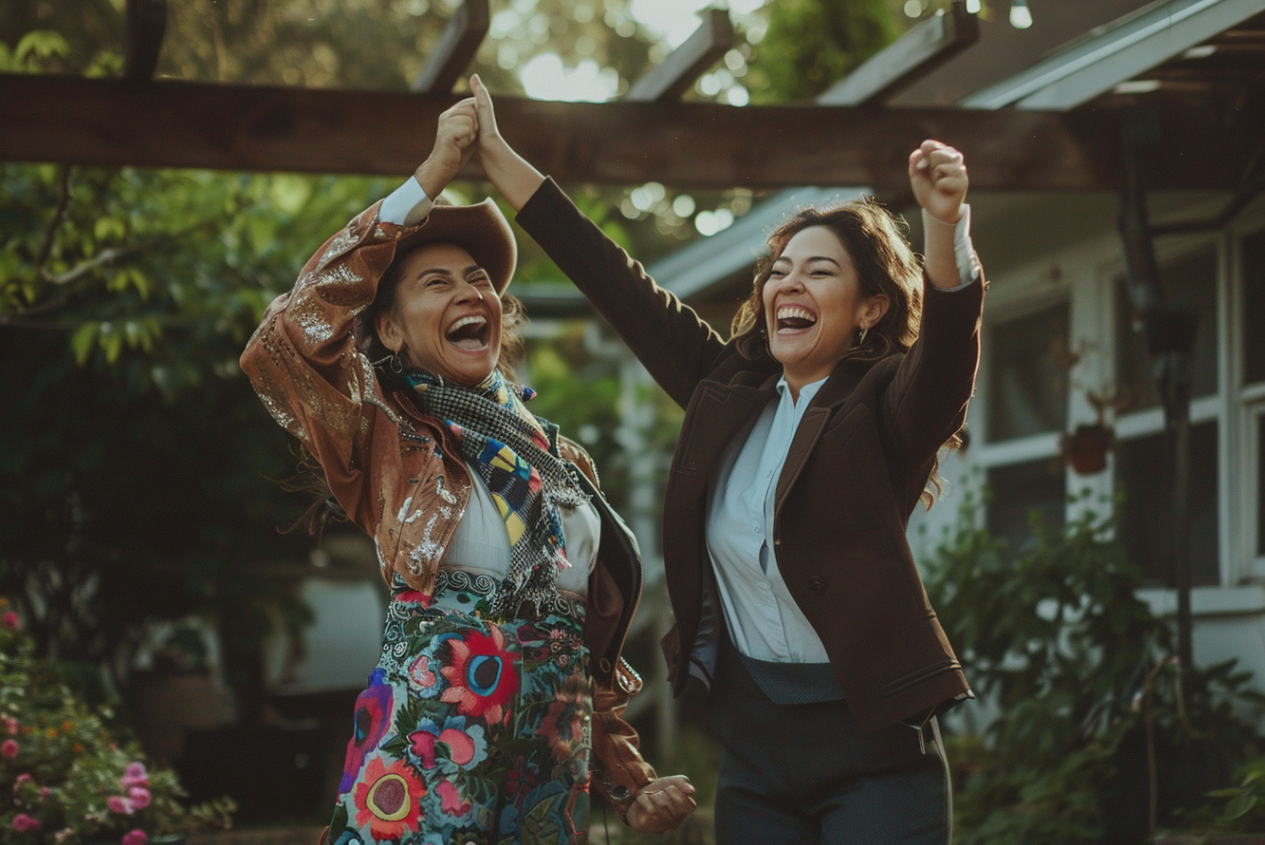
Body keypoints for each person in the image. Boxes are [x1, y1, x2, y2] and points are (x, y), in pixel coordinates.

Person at [466, 73, 983, 844]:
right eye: (778, 269)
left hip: (872, 744)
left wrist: (944, 228)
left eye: (818, 270)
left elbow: (944, 353)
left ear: (869, 307)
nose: (787, 284)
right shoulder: (724, 387)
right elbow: (614, 278)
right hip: (755, 747)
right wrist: (495, 154)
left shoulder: (884, 407)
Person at [240, 97, 695, 844]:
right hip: (428, 746)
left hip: (548, 765)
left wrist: (629, 781)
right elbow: (285, 335)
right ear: (389, 328)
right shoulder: (377, 426)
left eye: (476, 277)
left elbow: (577, 641)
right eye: (435, 282)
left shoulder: (560, 461)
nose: (466, 292)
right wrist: (427, 179)